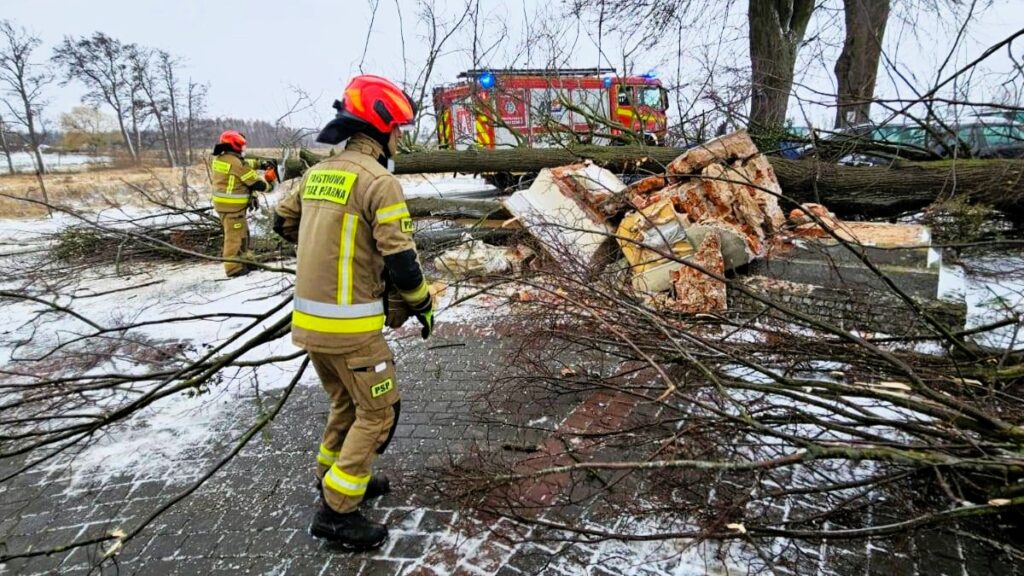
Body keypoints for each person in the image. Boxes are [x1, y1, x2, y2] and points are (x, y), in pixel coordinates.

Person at [273, 75, 434, 551]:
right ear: (381, 128)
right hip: (353, 330)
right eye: (398, 129)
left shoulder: (317, 173)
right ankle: (337, 512)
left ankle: (337, 476)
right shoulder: (379, 182)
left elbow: (282, 221)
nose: (400, 138)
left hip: (310, 324)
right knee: (379, 412)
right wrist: (423, 305)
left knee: (346, 402)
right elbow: (402, 261)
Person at [210, 130, 276, 277]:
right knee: (234, 237)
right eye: (242, 146)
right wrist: (271, 183)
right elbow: (256, 183)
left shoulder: (222, 159)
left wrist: (261, 164)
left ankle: (245, 261)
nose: (244, 149)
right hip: (232, 208)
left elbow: (244, 163)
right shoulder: (237, 164)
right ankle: (233, 268)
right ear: (235, 146)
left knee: (242, 233)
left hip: (226, 206)